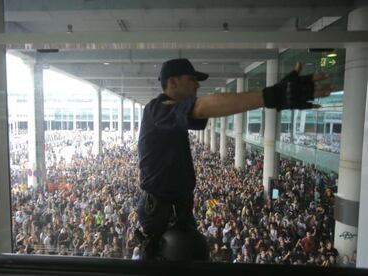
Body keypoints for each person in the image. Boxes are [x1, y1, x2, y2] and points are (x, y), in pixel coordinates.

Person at [136, 58, 331, 260]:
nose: (197, 84)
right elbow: (201, 107)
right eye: (192, 78)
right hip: (162, 213)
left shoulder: (167, 116)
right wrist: (269, 96)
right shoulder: (156, 109)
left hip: (173, 211)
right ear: (173, 82)